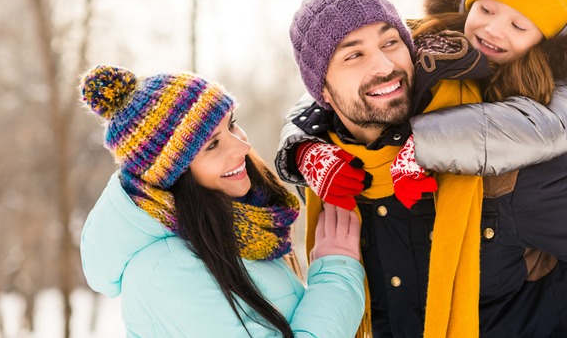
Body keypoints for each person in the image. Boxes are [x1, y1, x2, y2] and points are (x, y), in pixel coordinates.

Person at [276, 0, 567, 336]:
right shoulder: (329, 181)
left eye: (390, 42)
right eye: (353, 56)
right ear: (322, 91)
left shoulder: (500, 158)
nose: (384, 66)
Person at [78, 64, 365, 337]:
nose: (243, 146)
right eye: (212, 145)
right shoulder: (167, 272)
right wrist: (336, 275)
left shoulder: (232, 232)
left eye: (233, 125)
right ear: (172, 177)